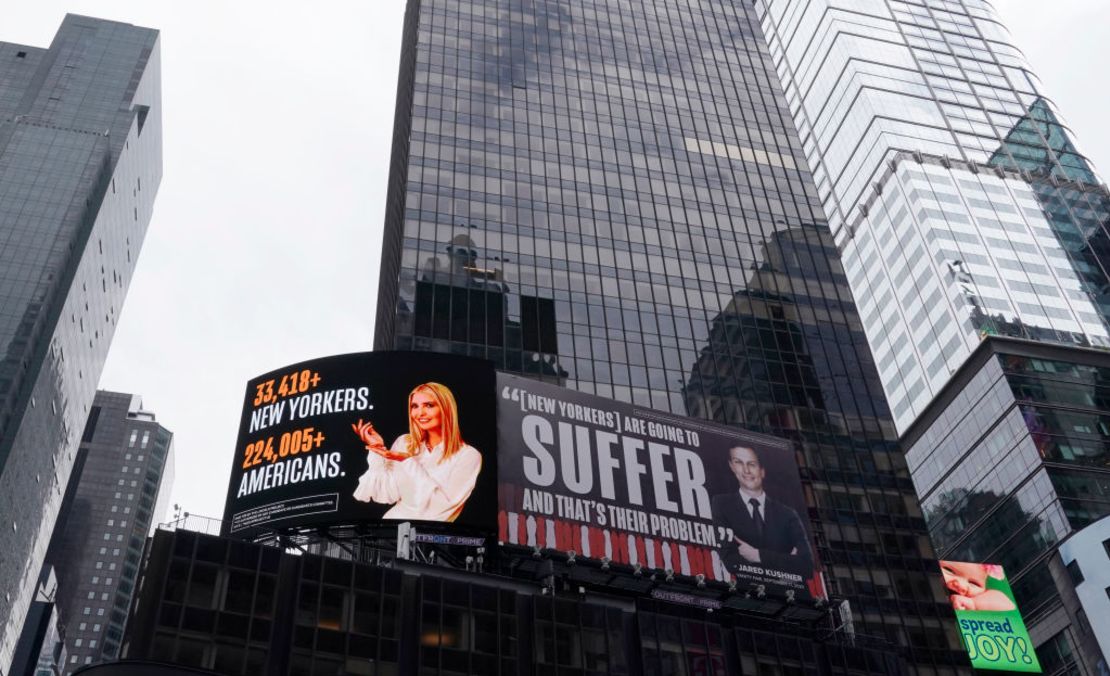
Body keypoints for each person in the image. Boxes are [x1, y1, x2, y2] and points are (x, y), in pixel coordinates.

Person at [351, 382, 481, 522]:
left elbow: (438, 508)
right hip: (390, 530)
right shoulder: (404, 443)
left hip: (429, 537)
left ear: (446, 409)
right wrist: (378, 450)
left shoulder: (468, 456)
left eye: (429, 405)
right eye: (414, 406)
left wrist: (407, 461)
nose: (420, 413)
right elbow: (389, 494)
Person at [712, 446, 813, 578]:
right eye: (738, 462)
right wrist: (786, 559)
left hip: (789, 592)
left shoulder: (788, 514)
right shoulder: (721, 504)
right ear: (731, 466)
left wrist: (757, 555)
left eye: (752, 464)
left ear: (762, 471)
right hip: (745, 591)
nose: (746, 470)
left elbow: (806, 567)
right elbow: (730, 562)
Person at [940, 561, 1015, 611]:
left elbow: (1008, 604)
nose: (962, 586)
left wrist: (973, 603)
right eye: (949, 571)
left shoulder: (976, 597)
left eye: (974, 583)